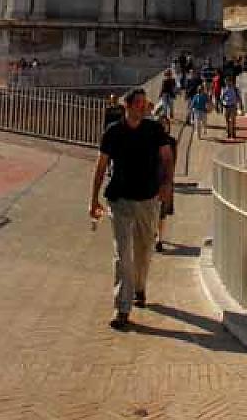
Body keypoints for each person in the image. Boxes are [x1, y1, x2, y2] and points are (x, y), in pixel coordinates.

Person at [89, 88, 174, 330]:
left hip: (148, 198)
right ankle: (122, 307)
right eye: (137, 103)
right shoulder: (113, 132)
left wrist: (167, 183)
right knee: (122, 252)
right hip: (120, 199)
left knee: (144, 248)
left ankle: (139, 287)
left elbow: (167, 157)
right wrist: (93, 199)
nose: (141, 107)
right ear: (127, 106)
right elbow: (101, 164)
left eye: (143, 103)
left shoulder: (154, 130)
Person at [156, 115, 177, 251]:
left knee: (162, 212)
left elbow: (173, 161)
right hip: (151, 180)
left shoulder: (171, 141)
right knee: (151, 210)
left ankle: (159, 239)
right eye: (161, 123)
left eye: (166, 124)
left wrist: (169, 180)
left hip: (165, 180)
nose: (164, 126)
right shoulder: (150, 140)